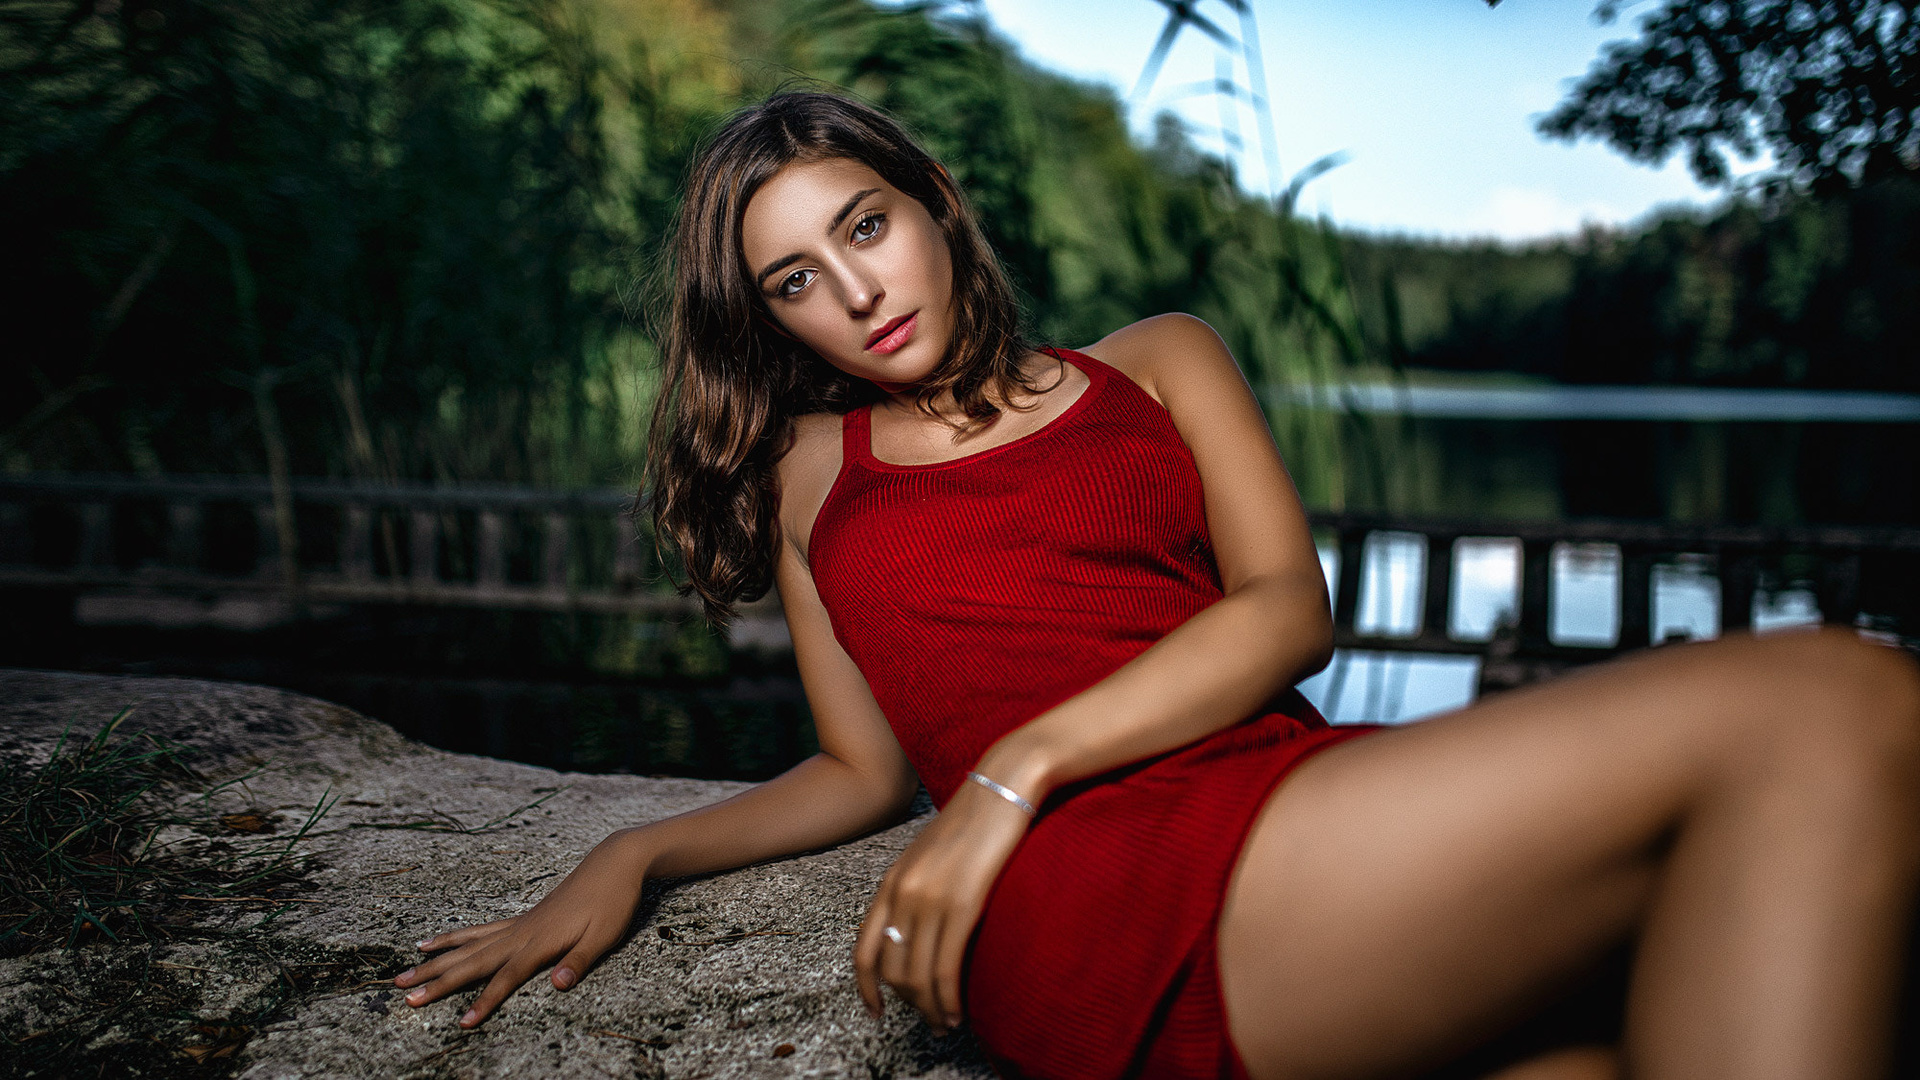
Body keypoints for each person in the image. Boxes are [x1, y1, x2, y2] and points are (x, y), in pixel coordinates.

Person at [392, 91, 1920, 1080]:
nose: (855, 291)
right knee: (1841, 693)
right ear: (772, 316)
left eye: (865, 226)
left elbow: (1287, 613)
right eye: (796, 278)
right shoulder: (811, 468)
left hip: (1292, 801)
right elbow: (862, 768)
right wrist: (644, 851)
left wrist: (1006, 769)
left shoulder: (1158, 359)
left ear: (931, 198)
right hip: (1092, 879)